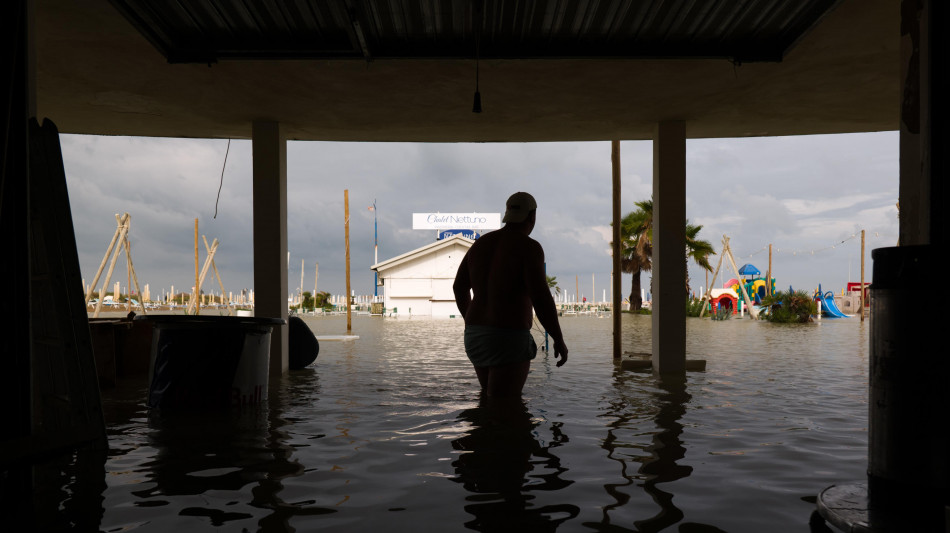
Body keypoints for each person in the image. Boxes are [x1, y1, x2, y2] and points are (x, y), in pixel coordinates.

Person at [453, 192, 568, 398]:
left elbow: (459, 287)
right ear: (532, 216)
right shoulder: (529, 247)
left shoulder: (480, 244)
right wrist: (558, 338)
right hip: (508, 337)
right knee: (507, 408)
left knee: (489, 400)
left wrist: (471, 320)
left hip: (475, 336)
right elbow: (541, 298)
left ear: (507, 214)